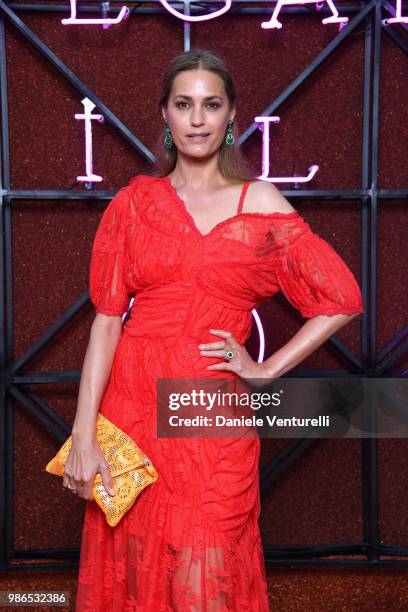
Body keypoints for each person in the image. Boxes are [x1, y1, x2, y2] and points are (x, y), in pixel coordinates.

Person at [64, 48, 364, 611]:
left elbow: (341, 298)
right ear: (166, 116)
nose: (198, 118)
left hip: (210, 416)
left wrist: (265, 369)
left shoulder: (261, 203)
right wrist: (83, 436)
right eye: (184, 104)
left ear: (231, 117)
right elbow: (106, 322)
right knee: (135, 568)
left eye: (211, 105)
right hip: (132, 412)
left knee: (207, 570)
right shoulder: (134, 204)